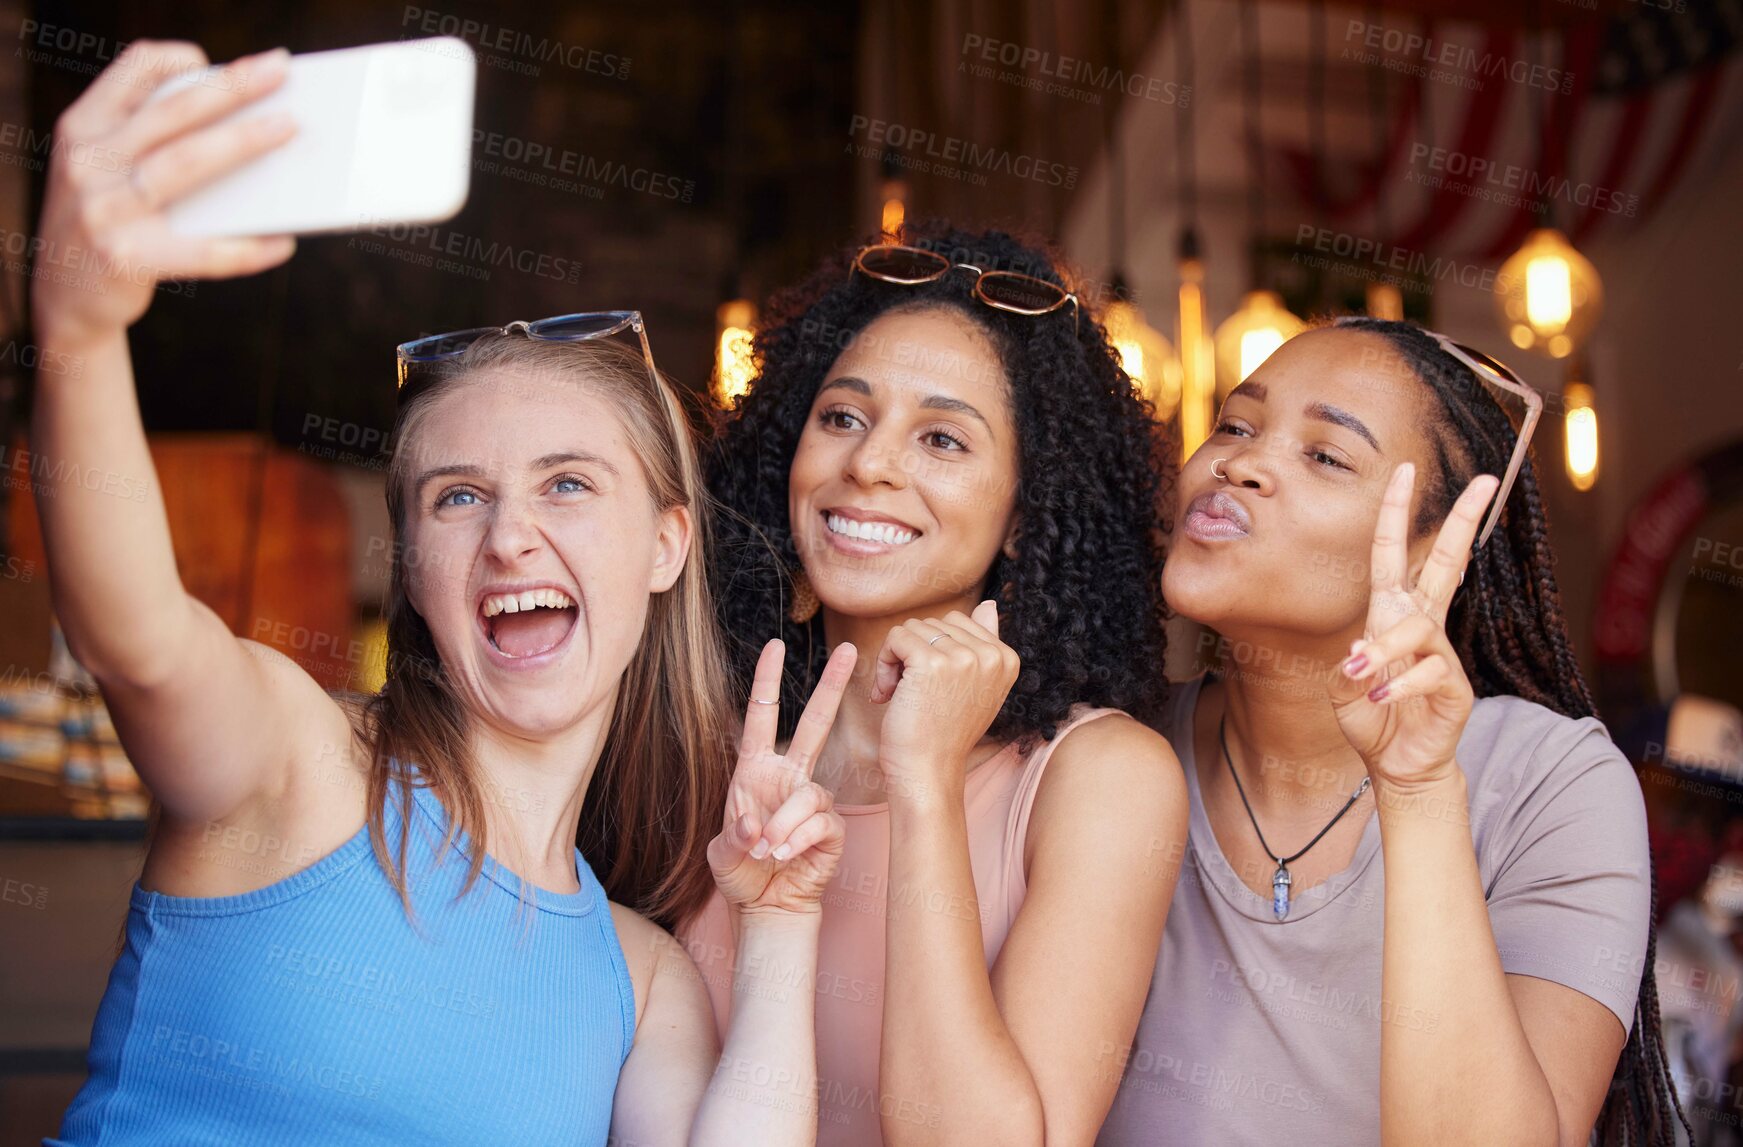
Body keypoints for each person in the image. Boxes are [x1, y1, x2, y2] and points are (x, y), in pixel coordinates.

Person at [33, 41, 849, 1146]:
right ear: (411, 568)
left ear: (666, 544)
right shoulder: (294, 763)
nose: (512, 535)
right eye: (459, 498)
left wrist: (785, 919)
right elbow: (136, 638)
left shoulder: (643, 978)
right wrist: (78, 332)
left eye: (568, 484)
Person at [1096, 317, 1688, 1145]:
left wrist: (1415, 789)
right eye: (1235, 423)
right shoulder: (1102, 756)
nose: (1241, 461)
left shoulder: (1552, 784)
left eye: (1325, 455)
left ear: (1429, 551)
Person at [681, 222, 1191, 1144]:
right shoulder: (700, 733)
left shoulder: (1101, 776)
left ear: (1023, 514)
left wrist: (923, 785)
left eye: (943, 439)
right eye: (841, 416)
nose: (869, 463)